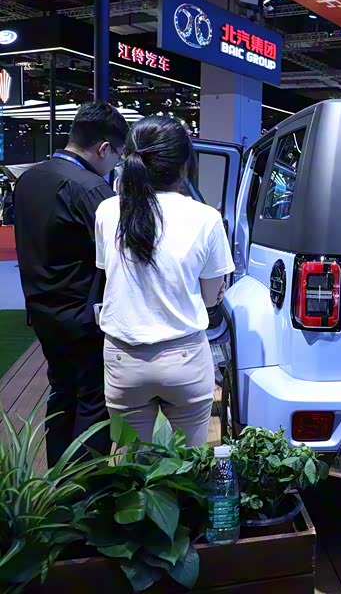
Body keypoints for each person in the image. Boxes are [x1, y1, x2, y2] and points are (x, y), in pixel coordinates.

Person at [95, 116, 234, 446]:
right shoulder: (206, 218)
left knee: (133, 463)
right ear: (185, 165)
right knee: (189, 462)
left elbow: (109, 274)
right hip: (184, 359)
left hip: (123, 360)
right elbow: (211, 298)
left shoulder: (106, 211)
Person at [14, 102, 127, 466]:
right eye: (117, 155)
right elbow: (123, 252)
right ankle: (84, 490)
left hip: (42, 312)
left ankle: (58, 484)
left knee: (61, 395)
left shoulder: (29, 179)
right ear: (104, 149)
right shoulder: (91, 190)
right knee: (93, 404)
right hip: (84, 317)